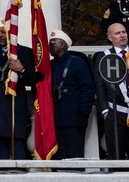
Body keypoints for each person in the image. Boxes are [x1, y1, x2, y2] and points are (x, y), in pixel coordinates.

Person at [0, 20, 40, 160]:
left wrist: (21, 69)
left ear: (12, 34)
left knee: (17, 147)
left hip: (13, 106)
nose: (0, 35)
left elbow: (32, 78)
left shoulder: (25, 52)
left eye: (3, 32)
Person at [48, 29, 94, 159]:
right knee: (58, 157)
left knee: (74, 157)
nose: (49, 47)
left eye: (52, 43)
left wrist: (83, 112)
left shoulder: (77, 63)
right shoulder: (50, 65)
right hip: (55, 119)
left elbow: (88, 88)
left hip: (74, 119)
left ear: (62, 45)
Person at [93, 22, 129, 160]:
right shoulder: (103, 56)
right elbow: (99, 85)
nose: (122, 35)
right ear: (110, 37)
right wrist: (104, 110)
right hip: (115, 111)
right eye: (117, 33)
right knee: (116, 154)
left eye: (124, 32)